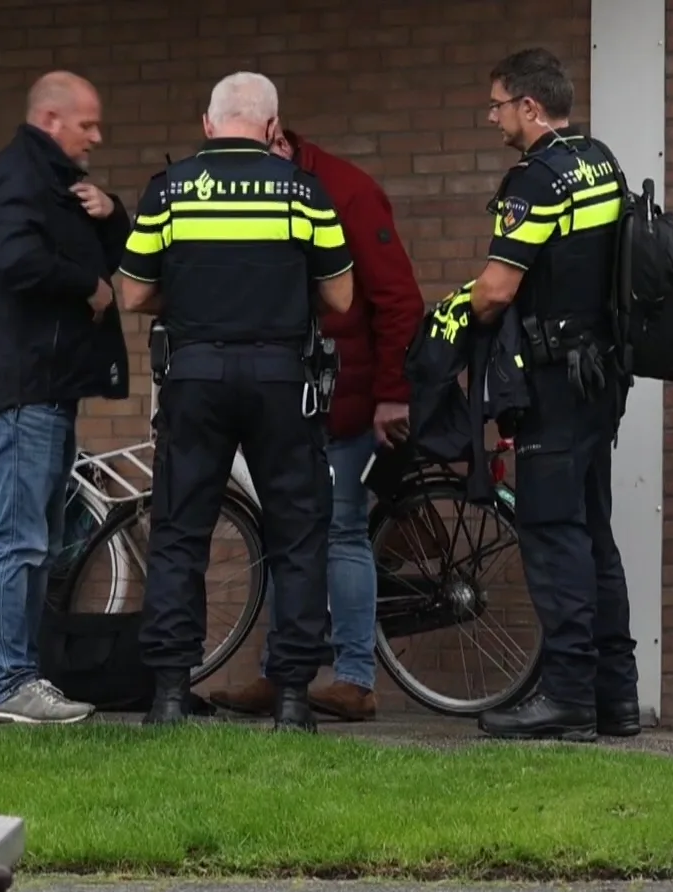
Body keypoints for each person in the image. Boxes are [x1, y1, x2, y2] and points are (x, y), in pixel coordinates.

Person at [115, 72, 356, 732]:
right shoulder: (303, 191)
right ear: (273, 127)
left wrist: (195, 301)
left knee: (180, 532)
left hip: (194, 376)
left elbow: (133, 293)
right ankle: (293, 699)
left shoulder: (170, 190)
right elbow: (340, 296)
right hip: (283, 380)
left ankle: (169, 696)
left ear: (208, 123)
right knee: (297, 534)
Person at [206, 127, 425, 722]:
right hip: (287, 401)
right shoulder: (265, 189)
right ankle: (284, 673)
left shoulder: (347, 191)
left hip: (343, 402)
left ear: (276, 137)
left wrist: (392, 394)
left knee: (343, 530)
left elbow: (399, 300)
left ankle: (354, 679)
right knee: (288, 531)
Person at [462, 47, 640, 742]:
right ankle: (614, 696)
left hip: (556, 383)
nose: (493, 117)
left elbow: (496, 290)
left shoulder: (535, 180)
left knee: (551, 533)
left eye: (498, 104)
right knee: (593, 531)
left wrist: (454, 315)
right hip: (600, 377)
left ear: (530, 107)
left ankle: (566, 697)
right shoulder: (600, 160)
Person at [0, 71, 132, 725]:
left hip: (47, 389)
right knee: (19, 540)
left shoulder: (54, 184)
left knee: (37, 542)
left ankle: (25, 679)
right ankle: (10, 684)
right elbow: (14, 259)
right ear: (51, 120)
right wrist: (85, 285)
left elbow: (112, 254)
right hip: (23, 390)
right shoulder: (20, 179)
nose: (97, 136)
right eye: (87, 124)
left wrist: (111, 212)